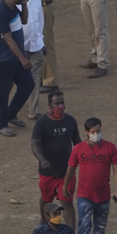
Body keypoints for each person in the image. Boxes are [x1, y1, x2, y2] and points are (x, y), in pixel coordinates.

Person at [64, 117, 117, 234]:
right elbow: (70, 169)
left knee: (100, 227)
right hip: (85, 195)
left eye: (98, 131)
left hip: (103, 196)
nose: (96, 134)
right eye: (93, 132)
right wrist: (65, 186)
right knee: (84, 227)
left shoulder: (110, 148)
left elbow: (116, 169)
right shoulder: (78, 149)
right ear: (87, 133)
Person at [0, 0, 34, 138]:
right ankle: (2, 125)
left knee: (28, 85)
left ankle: (11, 113)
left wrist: (25, 4)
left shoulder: (14, 6)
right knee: (2, 93)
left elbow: (24, 21)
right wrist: (22, 58)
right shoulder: (0, 12)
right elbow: (7, 39)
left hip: (15, 58)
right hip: (3, 60)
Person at [31, 91, 80, 226]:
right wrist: (42, 160)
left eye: (62, 103)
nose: (60, 106)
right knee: (46, 199)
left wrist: (83, 158)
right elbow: (35, 143)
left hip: (67, 171)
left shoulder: (70, 121)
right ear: (49, 105)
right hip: (48, 171)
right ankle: (43, 220)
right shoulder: (42, 123)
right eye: (57, 103)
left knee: (67, 201)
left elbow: (77, 142)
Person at [19, 0, 48, 121]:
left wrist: (41, 43)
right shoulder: (14, 3)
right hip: (19, 48)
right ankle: (0, 98)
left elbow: (39, 22)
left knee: (35, 78)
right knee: (12, 77)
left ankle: (33, 110)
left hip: (35, 46)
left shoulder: (36, 0)